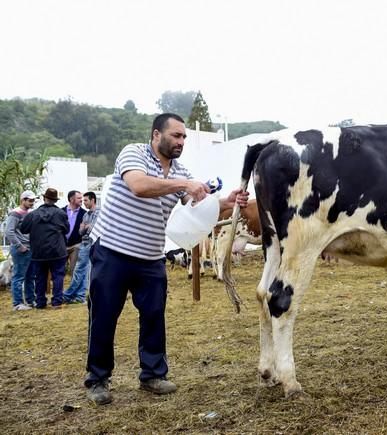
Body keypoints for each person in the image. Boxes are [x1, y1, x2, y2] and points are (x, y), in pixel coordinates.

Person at [84, 113, 249, 405]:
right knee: (104, 316)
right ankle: (98, 379)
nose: (181, 142)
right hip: (112, 250)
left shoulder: (180, 172)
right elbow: (139, 186)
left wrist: (228, 202)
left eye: (184, 137)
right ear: (156, 135)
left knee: (153, 317)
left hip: (150, 256)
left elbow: (197, 208)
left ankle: (152, 375)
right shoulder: (133, 154)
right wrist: (183, 186)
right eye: (176, 135)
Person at [19, 188, 69, 309]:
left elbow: (23, 229)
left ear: (44, 198)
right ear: (55, 200)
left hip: (38, 251)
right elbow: (66, 230)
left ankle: (40, 302)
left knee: (40, 277)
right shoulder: (61, 214)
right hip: (57, 250)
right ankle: (57, 302)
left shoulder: (33, 214)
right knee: (58, 276)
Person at [63, 191, 99, 304]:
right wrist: (86, 227)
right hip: (84, 243)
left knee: (79, 269)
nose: (84, 203)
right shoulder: (86, 214)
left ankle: (68, 295)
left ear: (93, 200)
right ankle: (80, 296)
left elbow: (94, 229)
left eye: (85, 200)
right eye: (82, 200)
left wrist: (87, 227)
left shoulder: (99, 213)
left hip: (91, 244)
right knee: (83, 270)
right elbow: (81, 231)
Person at [5, 190, 38, 311]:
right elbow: (9, 231)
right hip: (21, 249)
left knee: (30, 276)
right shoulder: (15, 214)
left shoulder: (30, 213)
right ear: (22, 200)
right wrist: (20, 246)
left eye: (33, 200)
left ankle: (30, 300)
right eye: (29, 200)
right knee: (19, 276)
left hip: (30, 248)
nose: (32, 203)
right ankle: (17, 303)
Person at [62, 190, 86, 273]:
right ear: (72, 199)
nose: (81, 200)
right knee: (60, 271)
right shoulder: (61, 211)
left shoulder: (84, 213)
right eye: (79, 198)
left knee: (74, 270)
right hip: (61, 245)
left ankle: (74, 286)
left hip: (76, 245)